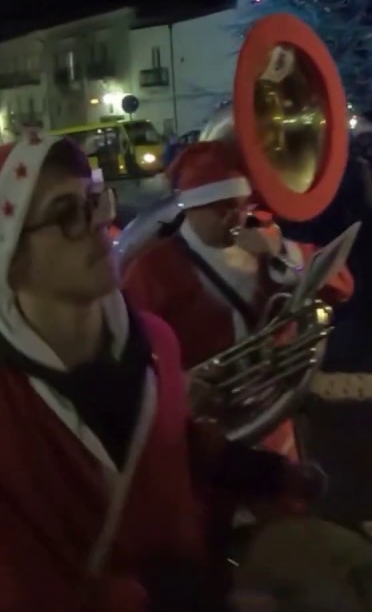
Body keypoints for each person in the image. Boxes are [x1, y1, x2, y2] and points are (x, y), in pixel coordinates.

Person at [0, 133, 323, 612]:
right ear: (9, 255)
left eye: (94, 201)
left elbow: (170, 443)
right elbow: (23, 598)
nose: (101, 223)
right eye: (67, 214)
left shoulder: (155, 341)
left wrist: (264, 473)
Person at [121, 139, 354, 461]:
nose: (235, 218)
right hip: (206, 435)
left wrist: (284, 255)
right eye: (221, 208)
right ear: (191, 208)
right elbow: (129, 355)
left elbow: (343, 285)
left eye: (241, 205)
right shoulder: (152, 268)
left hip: (275, 422)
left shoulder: (264, 244)